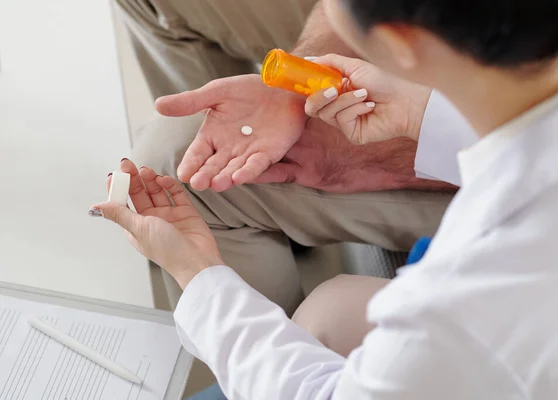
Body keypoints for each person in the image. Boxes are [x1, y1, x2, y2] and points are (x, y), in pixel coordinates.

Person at [90, 0, 558, 398]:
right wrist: (420, 117)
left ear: (399, 42)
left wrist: (197, 273)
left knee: (323, 322)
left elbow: (326, 392)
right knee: (331, 308)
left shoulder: (464, 303)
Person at [116, 0, 458, 317]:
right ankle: (264, 220)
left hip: (481, 145)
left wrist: (388, 153)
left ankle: (272, 347)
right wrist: (298, 78)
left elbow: (507, 146)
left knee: (175, 164)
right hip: (443, 31)